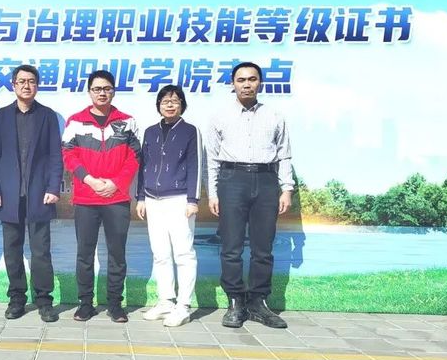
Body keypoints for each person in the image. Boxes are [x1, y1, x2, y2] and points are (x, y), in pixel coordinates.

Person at [207, 62, 294, 329]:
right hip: (232, 179)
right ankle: (235, 301)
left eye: (252, 79)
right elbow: (212, 159)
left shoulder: (275, 116)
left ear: (260, 83)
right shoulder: (220, 116)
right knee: (231, 246)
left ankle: (258, 302)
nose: (247, 84)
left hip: (266, 181)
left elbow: (284, 155)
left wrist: (286, 189)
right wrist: (213, 193)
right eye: (241, 80)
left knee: (263, 248)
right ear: (232, 84)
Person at [0, 64, 63, 323]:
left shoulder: (47, 116)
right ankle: (17, 298)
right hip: (8, 194)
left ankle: (44, 300)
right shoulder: (2, 116)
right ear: (13, 85)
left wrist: (53, 187)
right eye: (21, 81)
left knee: (41, 251)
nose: (26, 86)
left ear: (37, 85)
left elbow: (55, 155)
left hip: (40, 193)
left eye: (31, 81)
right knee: (12, 250)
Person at [62, 70, 140, 323]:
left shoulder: (127, 122)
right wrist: (90, 180)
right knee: (84, 254)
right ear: (89, 92)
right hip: (86, 198)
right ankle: (85, 304)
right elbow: (68, 155)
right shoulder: (75, 121)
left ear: (114, 91)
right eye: (97, 89)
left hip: (117, 198)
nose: (102, 93)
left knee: (117, 254)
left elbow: (134, 157)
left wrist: (115, 183)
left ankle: (115, 304)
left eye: (107, 88)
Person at [136, 85, 201, 328]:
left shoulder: (190, 131)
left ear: (182, 104)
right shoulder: (150, 132)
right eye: (165, 101)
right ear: (159, 105)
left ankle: (183, 305)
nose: (170, 105)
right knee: (160, 253)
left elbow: (195, 165)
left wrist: (193, 200)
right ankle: (165, 301)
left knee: (183, 253)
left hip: (179, 200)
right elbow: (143, 165)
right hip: (152, 200)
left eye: (175, 100)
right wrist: (141, 197)